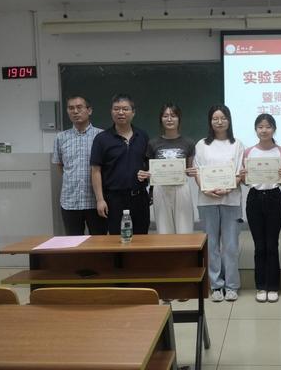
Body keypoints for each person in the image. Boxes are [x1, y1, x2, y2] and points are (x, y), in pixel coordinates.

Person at [194, 105, 244, 302]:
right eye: (215, 118)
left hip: (231, 200)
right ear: (210, 121)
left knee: (230, 245)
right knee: (212, 244)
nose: (219, 121)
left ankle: (231, 285)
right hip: (207, 200)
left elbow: (240, 172)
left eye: (223, 118)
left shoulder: (237, 144)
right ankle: (216, 285)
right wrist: (204, 188)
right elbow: (197, 170)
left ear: (229, 120)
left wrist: (229, 188)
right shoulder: (201, 144)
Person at [242, 114, 281, 303]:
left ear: (274, 129)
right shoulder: (248, 152)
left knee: (272, 244)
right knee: (259, 245)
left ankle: (274, 286)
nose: (264, 130)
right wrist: (243, 176)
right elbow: (245, 181)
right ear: (256, 129)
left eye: (268, 126)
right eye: (260, 127)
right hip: (254, 198)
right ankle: (261, 286)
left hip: (274, 198)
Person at [90, 93, 150, 235]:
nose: (120, 112)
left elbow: (149, 165)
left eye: (125, 109)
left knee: (142, 240)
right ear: (111, 112)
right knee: (117, 240)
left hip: (139, 198)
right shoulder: (101, 139)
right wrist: (100, 200)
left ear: (133, 112)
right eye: (116, 109)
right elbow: (95, 171)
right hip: (114, 200)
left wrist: (147, 173)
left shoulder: (142, 136)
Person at [52, 95, 107, 235]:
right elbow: (60, 165)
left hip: (96, 202)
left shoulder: (102, 136)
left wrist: (101, 198)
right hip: (70, 201)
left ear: (89, 110)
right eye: (71, 108)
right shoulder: (61, 137)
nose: (75, 111)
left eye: (79, 107)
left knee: (99, 242)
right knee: (73, 243)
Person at [137, 103, 196, 234]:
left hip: (181, 188)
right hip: (160, 188)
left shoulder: (189, 143)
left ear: (179, 119)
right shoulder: (153, 143)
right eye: (165, 116)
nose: (169, 119)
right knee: (164, 230)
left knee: (185, 229)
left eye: (173, 116)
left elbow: (189, 169)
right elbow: (150, 170)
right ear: (161, 119)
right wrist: (145, 174)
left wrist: (192, 172)